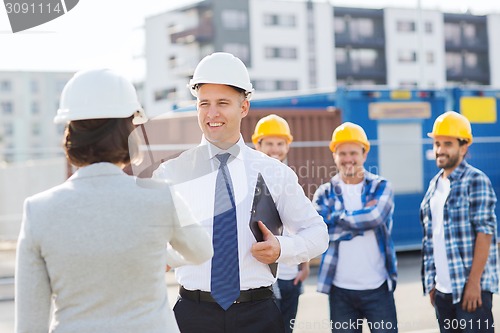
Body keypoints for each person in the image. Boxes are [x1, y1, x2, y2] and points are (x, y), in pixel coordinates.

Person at [15, 68, 213, 333]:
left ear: (70, 133)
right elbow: (201, 251)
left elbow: (30, 325)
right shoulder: (159, 196)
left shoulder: (38, 210)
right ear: (128, 130)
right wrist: (154, 251)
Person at [152, 52, 329, 333]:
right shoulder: (171, 173)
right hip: (192, 315)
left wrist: (282, 248)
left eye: (223, 103)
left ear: (244, 107)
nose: (212, 113)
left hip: (257, 315)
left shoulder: (274, 172)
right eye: (203, 104)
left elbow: (317, 234)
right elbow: (150, 242)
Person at [313, 122, 398, 333]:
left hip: (378, 288)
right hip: (340, 291)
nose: (348, 159)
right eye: (342, 153)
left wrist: (335, 219)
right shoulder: (324, 193)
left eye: (353, 153)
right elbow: (319, 232)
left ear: (364, 154)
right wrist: (360, 222)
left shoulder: (381, 186)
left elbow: (375, 217)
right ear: (334, 155)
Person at [420, 111, 498, 333]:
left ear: (463, 147)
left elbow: (485, 234)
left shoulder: (476, 180)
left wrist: (474, 284)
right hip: (443, 292)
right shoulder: (434, 186)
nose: (440, 149)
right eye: (437, 143)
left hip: (470, 291)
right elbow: (431, 239)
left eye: (447, 144)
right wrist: (432, 284)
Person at [252, 114, 310, 333]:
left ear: (287, 146)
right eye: (269, 144)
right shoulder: (250, 179)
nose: (275, 149)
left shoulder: (290, 178)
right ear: (257, 144)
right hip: (264, 277)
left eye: (280, 144)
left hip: (290, 276)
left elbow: (299, 226)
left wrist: (303, 266)